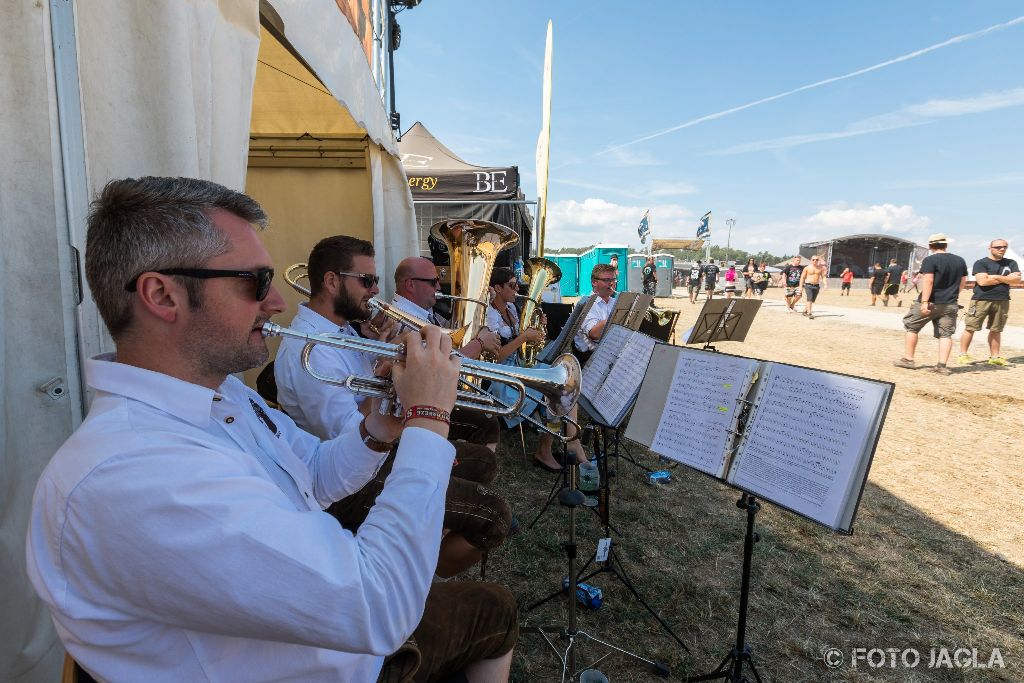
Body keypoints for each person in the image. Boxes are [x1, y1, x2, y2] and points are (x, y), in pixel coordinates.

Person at [26, 177, 516, 682]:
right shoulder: (135, 473)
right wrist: (428, 418)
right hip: (349, 651)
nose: (278, 302)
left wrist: (383, 423)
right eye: (254, 282)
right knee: (494, 608)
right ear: (162, 295)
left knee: (491, 602)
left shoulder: (221, 394)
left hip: (336, 633)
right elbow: (379, 608)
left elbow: (317, 473)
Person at [275, 241, 513, 578]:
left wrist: (384, 353)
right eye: (367, 280)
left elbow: (366, 392)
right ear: (331, 282)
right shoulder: (313, 349)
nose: (375, 290)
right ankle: (418, 585)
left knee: (481, 459)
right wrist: (386, 366)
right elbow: (350, 436)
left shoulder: (338, 330)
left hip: (374, 454)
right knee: (493, 515)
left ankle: (428, 530)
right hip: (350, 480)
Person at [488, 267, 588, 471]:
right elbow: (495, 357)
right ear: (497, 288)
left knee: (565, 377)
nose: (517, 289)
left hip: (520, 366)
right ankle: (561, 445)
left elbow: (525, 342)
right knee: (556, 387)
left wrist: (538, 329)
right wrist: (524, 337)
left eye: (517, 285)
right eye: (512, 285)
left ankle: (568, 440)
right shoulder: (490, 314)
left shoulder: (512, 309)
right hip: (502, 376)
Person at [894, 233, 968, 375]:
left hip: (931, 302)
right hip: (950, 303)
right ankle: (942, 366)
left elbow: (928, 281)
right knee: (945, 334)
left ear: (930, 246)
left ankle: (908, 360)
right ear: (946, 245)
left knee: (912, 327)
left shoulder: (930, 259)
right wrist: (954, 295)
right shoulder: (960, 260)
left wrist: (924, 302)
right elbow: (963, 281)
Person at [958, 239, 1020, 366]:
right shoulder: (981, 263)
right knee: (971, 327)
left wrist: (995, 277)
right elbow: (982, 282)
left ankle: (995, 356)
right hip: (981, 299)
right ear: (990, 248)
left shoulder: (1011, 263)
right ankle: (963, 354)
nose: (1002, 249)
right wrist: (1006, 279)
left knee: (996, 329)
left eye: (1004, 247)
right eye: (998, 247)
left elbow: (1017, 280)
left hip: (1002, 299)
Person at [575, 263, 618, 361]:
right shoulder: (587, 303)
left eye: (613, 280)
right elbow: (594, 334)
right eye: (607, 280)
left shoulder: (615, 302)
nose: (612, 283)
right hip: (590, 358)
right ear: (594, 282)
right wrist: (618, 315)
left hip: (611, 353)